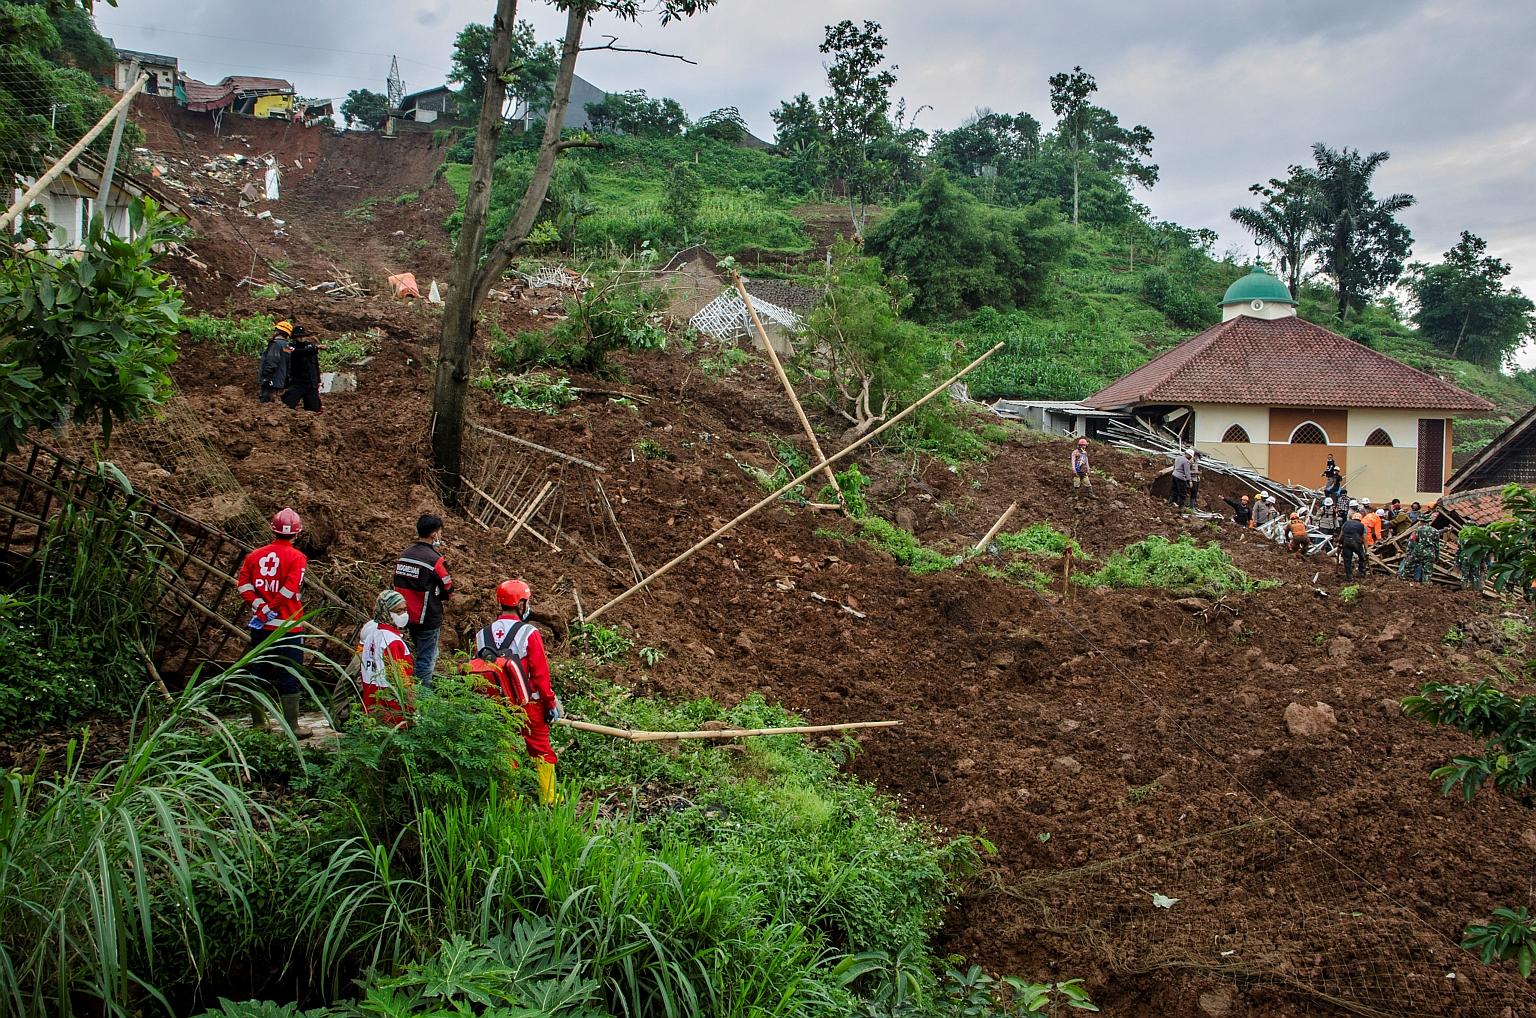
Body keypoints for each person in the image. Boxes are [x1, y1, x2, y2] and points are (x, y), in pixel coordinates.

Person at [474, 579, 564, 805]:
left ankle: (508, 801)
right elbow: (540, 674)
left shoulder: (481, 635)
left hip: (496, 706)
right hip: (528, 705)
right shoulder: (528, 633)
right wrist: (550, 703)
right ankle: (550, 799)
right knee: (541, 748)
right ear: (522, 603)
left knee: (505, 750)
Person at [236, 508, 309, 736]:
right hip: (288, 627)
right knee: (290, 674)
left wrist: (260, 606)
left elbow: (243, 585)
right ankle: (293, 726)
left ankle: (259, 723)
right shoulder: (297, 557)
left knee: (258, 672)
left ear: (272, 529)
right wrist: (273, 608)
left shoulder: (254, 556)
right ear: (297, 533)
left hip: (262, 627)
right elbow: (290, 590)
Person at [392, 514, 454, 685]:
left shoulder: (404, 555)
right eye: (440, 532)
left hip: (405, 616)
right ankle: (421, 701)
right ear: (434, 534)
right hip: (427, 618)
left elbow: (396, 581)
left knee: (416, 654)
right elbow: (448, 586)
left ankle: (410, 690)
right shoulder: (435, 560)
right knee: (426, 661)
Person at [356, 590, 415, 726]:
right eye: (399, 611)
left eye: (405, 610)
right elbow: (400, 678)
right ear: (386, 612)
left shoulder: (371, 636)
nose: (404, 614)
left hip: (372, 701)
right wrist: (410, 705)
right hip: (392, 707)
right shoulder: (392, 641)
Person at [282, 325, 322, 413]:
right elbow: (296, 352)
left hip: (311, 383)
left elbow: (315, 366)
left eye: (303, 336)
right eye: (299, 336)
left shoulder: (310, 348)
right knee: (286, 406)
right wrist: (315, 348)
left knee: (313, 410)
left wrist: (317, 380)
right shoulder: (289, 347)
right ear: (294, 337)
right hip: (297, 383)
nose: (301, 338)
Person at [259, 321, 293, 403]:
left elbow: (272, 361)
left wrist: (266, 378)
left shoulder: (275, 344)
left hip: (271, 380)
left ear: (278, 331)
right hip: (280, 382)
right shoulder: (287, 346)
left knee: (266, 403)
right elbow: (288, 365)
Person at [1339, 511, 1368, 581]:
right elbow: (1364, 539)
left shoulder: (1345, 524)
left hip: (1346, 543)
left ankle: (1349, 576)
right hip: (1357, 543)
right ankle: (1361, 572)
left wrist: (1339, 543)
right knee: (1362, 557)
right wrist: (1366, 551)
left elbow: (1341, 535)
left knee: (1347, 560)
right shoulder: (1362, 526)